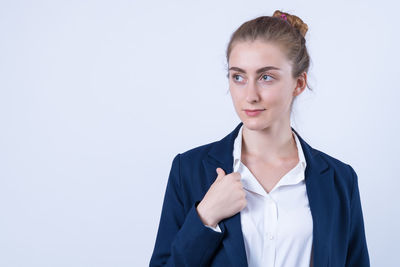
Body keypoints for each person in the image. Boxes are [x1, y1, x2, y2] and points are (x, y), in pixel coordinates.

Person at [149, 10, 370, 267]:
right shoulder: (188, 170)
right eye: (238, 77)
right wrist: (205, 218)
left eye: (266, 77)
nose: (250, 95)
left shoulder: (339, 180)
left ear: (298, 84)